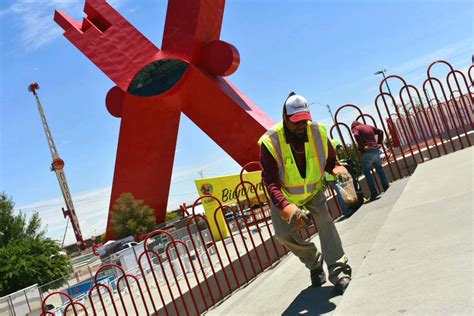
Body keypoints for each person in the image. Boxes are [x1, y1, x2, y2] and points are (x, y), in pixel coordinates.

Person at [258, 93, 352, 295]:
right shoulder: (270, 142)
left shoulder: (317, 132)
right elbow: (271, 183)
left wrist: (337, 170)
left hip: (313, 192)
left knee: (325, 222)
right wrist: (288, 208)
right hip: (284, 196)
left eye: (304, 121)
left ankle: (339, 271)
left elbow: (330, 161)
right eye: (296, 122)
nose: (301, 126)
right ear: (285, 118)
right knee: (284, 236)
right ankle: (314, 262)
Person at [351, 121, 389, 201]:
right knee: (380, 170)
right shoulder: (368, 126)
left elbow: (356, 135)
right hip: (376, 150)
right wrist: (379, 143)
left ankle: (374, 193)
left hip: (367, 153)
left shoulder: (356, 128)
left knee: (367, 173)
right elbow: (381, 132)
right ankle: (386, 188)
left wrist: (362, 147)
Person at [325, 139, 352, 218]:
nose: (338, 150)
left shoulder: (330, 153)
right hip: (332, 177)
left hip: (332, 176)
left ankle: (347, 209)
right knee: (341, 193)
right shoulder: (329, 154)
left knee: (341, 192)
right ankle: (346, 211)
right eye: (336, 148)